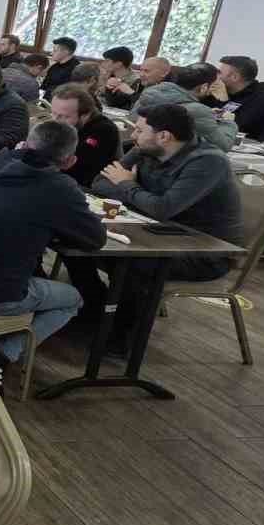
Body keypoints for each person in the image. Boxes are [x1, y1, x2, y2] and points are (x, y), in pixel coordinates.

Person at [0, 122, 106, 389]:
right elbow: (95, 238)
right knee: (73, 299)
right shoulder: (60, 187)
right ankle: (1, 354)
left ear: (25, 144)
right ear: (70, 161)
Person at [91, 106, 243, 342]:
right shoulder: (146, 148)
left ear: (164, 136)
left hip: (203, 250)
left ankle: (121, 340)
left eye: (140, 130)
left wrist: (128, 186)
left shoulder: (208, 162)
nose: (133, 136)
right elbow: (100, 183)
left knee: (129, 264)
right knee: (85, 244)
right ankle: (95, 314)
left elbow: (162, 209)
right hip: (156, 232)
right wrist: (137, 193)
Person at [133, 63, 239, 152]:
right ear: (204, 87)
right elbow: (222, 146)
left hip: (140, 152)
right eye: (216, 85)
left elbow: (132, 119)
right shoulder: (197, 111)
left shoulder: (150, 93)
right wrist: (227, 122)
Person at [50, 83, 121, 186]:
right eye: (53, 113)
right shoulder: (61, 125)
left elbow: (78, 168)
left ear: (85, 115)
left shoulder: (103, 130)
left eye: (64, 116)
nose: (55, 120)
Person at [210, 56, 264, 141]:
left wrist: (223, 101)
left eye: (219, 73)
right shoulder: (221, 90)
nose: (215, 76)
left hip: (252, 146)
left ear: (234, 77)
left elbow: (238, 127)